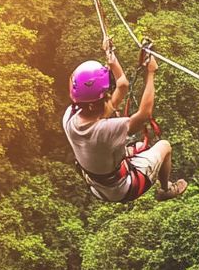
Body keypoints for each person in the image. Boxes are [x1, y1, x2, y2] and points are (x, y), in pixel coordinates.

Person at [63, 40, 188, 202]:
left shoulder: (70, 116)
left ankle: (138, 166)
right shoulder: (105, 130)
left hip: (97, 183)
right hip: (122, 188)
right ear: (100, 102)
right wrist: (151, 74)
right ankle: (165, 189)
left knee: (137, 147)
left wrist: (110, 55)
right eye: (109, 93)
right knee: (164, 146)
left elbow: (122, 85)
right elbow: (144, 115)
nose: (111, 95)